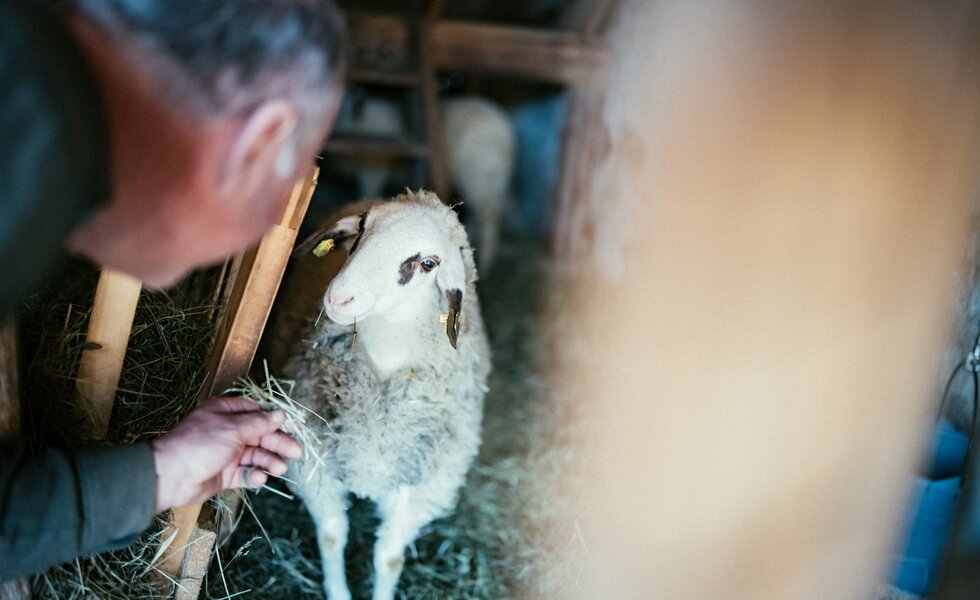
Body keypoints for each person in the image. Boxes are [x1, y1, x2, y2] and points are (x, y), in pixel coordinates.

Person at [0, 0, 346, 581]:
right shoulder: (34, 146)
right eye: (283, 188)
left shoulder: (33, 84)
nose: (269, 229)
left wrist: (163, 471)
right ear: (261, 140)